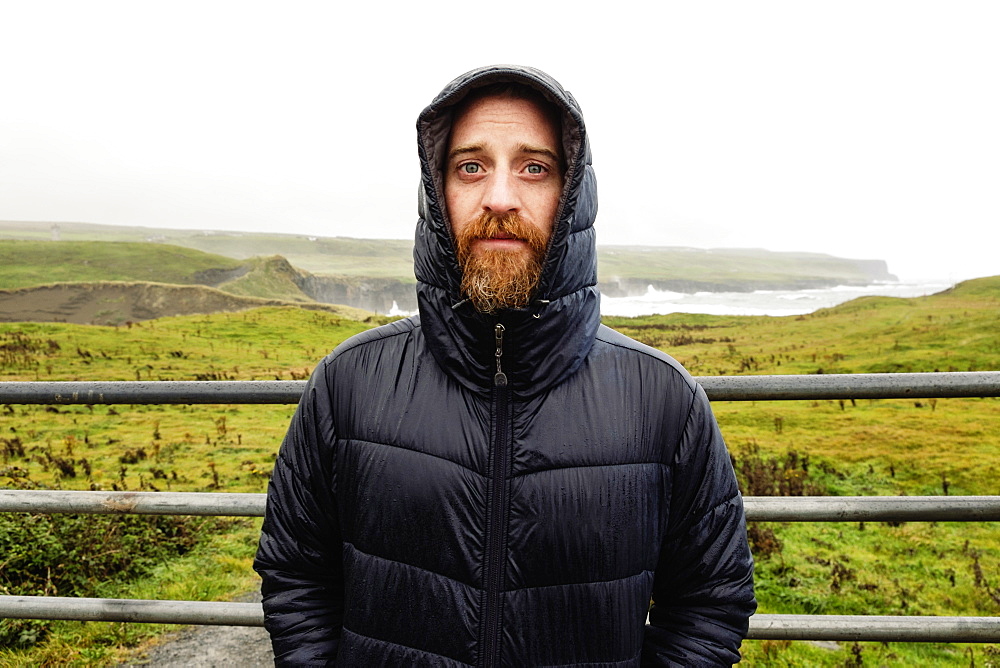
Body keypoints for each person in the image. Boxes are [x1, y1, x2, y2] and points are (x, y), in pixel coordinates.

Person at [254, 65, 756, 667]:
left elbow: (710, 602)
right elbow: (294, 573)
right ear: (436, 193)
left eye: (533, 167)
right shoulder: (350, 384)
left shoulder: (663, 401)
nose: (499, 197)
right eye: (471, 166)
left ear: (572, 196)